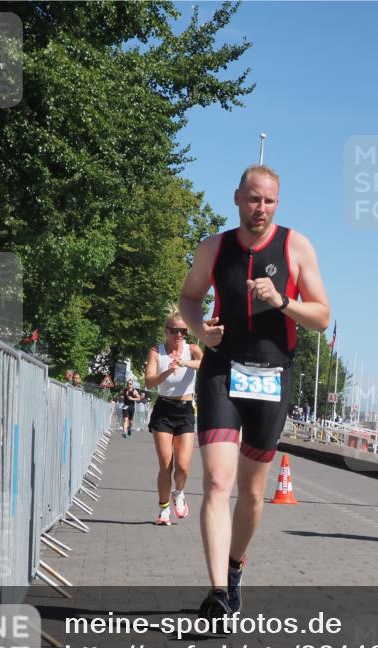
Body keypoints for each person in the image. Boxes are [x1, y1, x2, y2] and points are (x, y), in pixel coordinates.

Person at [179, 165, 330, 616]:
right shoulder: (214, 247)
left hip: (271, 376)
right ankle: (217, 594)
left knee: (250, 492)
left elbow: (322, 316)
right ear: (237, 198)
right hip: (221, 371)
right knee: (217, 483)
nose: (259, 208)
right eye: (252, 199)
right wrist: (197, 330)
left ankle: (235, 565)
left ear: (276, 204)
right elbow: (188, 297)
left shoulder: (295, 246)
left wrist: (282, 300)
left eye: (267, 201)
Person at [144, 311, 203, 526]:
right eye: (175, 330)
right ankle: (163, 510)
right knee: (166, 465)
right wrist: (167, 373)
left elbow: (206, 365)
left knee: (183, 466)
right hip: (164, 410)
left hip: (185, 409)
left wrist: (185, 363)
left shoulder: (192, 349)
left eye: (183, 331)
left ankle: (178, 493)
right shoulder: (156, 352)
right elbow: (149, 382)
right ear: (166, 331)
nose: (179, 335)